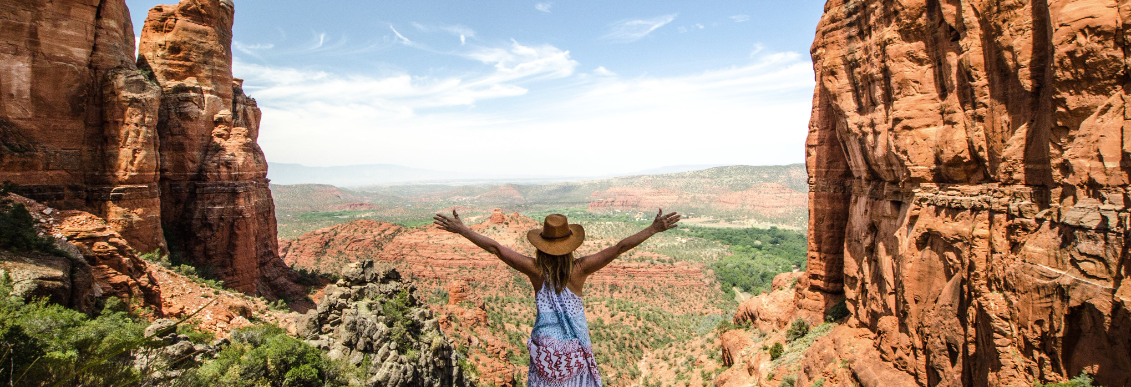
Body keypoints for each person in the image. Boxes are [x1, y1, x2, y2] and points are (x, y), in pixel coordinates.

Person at [433, 208, 681, 387]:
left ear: (541, 244)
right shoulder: (580, 269)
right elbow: (619, 247)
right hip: (575, 354)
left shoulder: (535, 270)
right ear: (571, 245)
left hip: (545, 355)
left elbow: (496, 248)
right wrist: (653, 229)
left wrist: (463, 230)